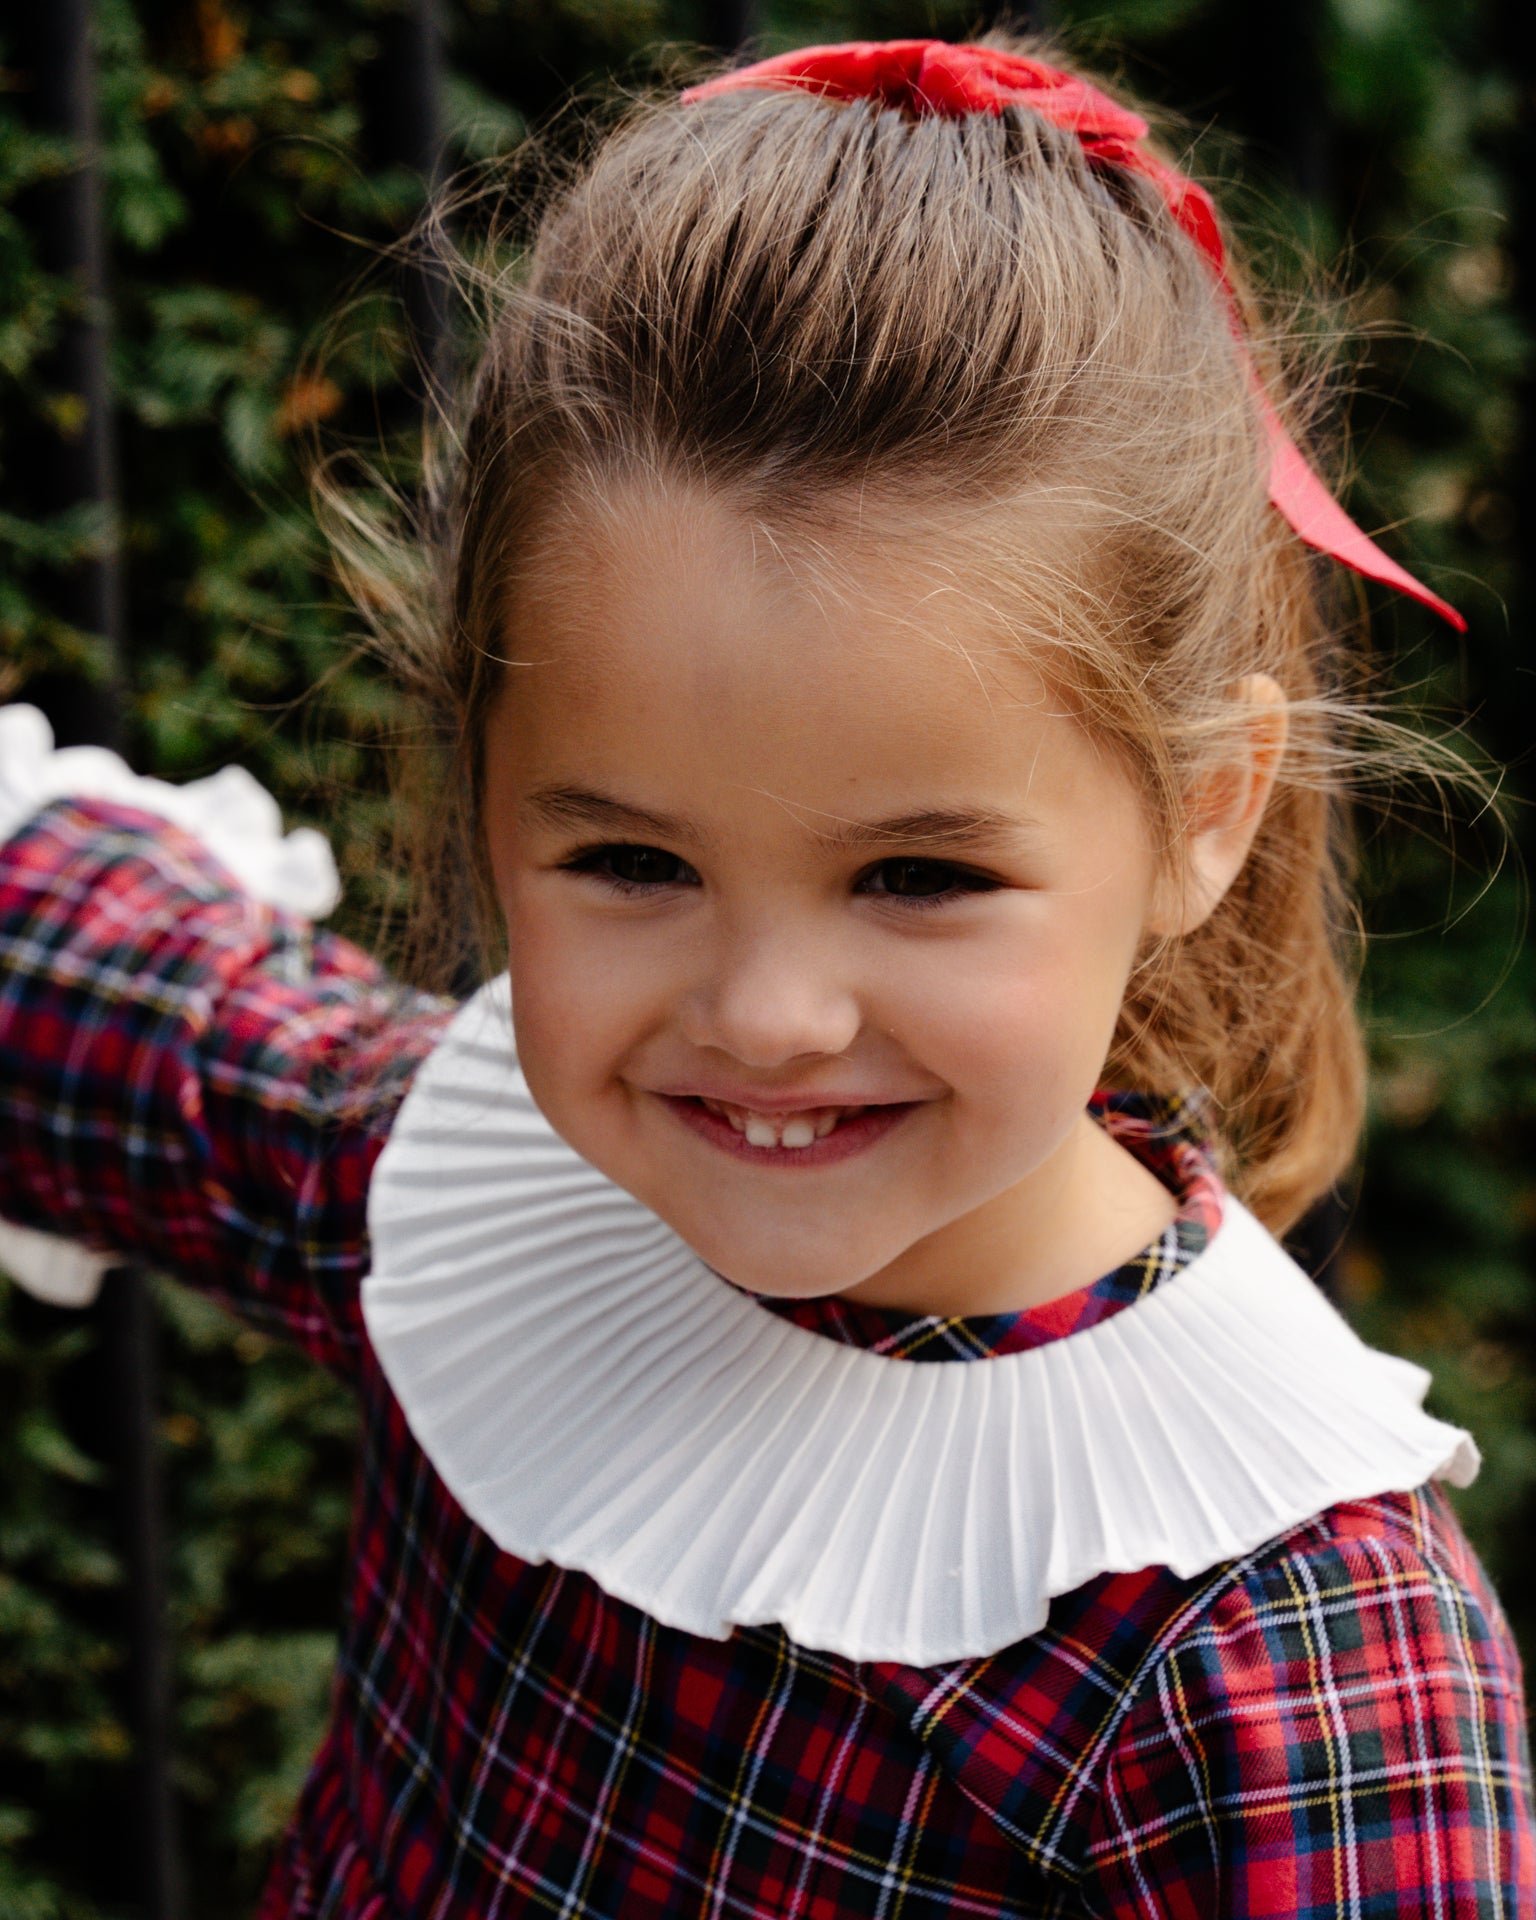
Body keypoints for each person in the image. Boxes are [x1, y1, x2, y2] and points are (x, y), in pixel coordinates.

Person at [1, 33, 1531, 1919]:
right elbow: (90, 981)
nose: (765, 1017)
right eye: (632, 861)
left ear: (1206, 808)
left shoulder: (1284, 1663)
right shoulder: (474, 1195)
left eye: (920, 875)